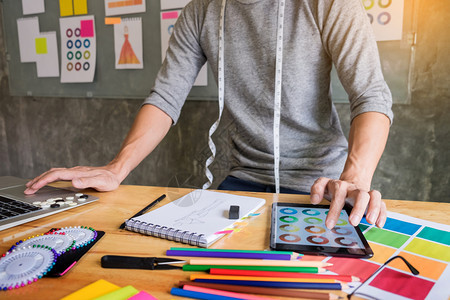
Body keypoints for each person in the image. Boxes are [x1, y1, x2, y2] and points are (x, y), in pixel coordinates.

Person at [24, 0, 393, 230]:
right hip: (242, 180)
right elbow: (166, 96)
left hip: (318, 185)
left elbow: (371, 95)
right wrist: (117, 167)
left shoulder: (331, 4)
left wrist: (354, 179)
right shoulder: (201, 10)